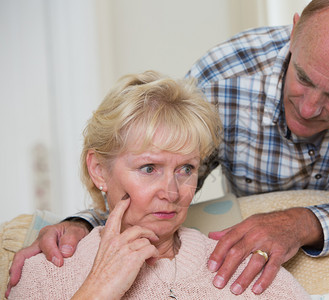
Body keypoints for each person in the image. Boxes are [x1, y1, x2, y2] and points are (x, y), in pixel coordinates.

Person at [6, 0, 329, 297]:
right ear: (293, 34)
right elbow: (150, 171)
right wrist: (82, 225)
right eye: (304, 77)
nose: (308, 109)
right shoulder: (223, 78)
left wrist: (301, 223)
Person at [8, 70, 310, 299]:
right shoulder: (44, 276)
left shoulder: (248, 272)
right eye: (149, 168)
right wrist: (97, 289)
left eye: (185, 169)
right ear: (99, 170)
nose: (172, 192)